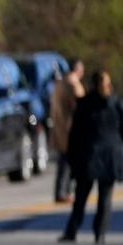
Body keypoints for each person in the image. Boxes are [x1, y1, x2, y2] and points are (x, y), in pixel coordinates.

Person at [58, 70, 123, 245]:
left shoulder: (85, 104)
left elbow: (75, 133)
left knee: (81, 197)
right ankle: (100, 234)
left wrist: (71, 156)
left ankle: (72, 231)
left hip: (88, 155)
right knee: (105, 199)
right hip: (111, 156)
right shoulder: (117, 103)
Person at [50, 58, 86, 203]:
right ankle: (65, 192)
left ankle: (61, 191)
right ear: (78, 70)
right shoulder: (74, 84)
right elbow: (81, 106)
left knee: (63, 162)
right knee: (70, 163)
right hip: (71, 128)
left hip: (59, 127)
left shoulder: (59, 83)